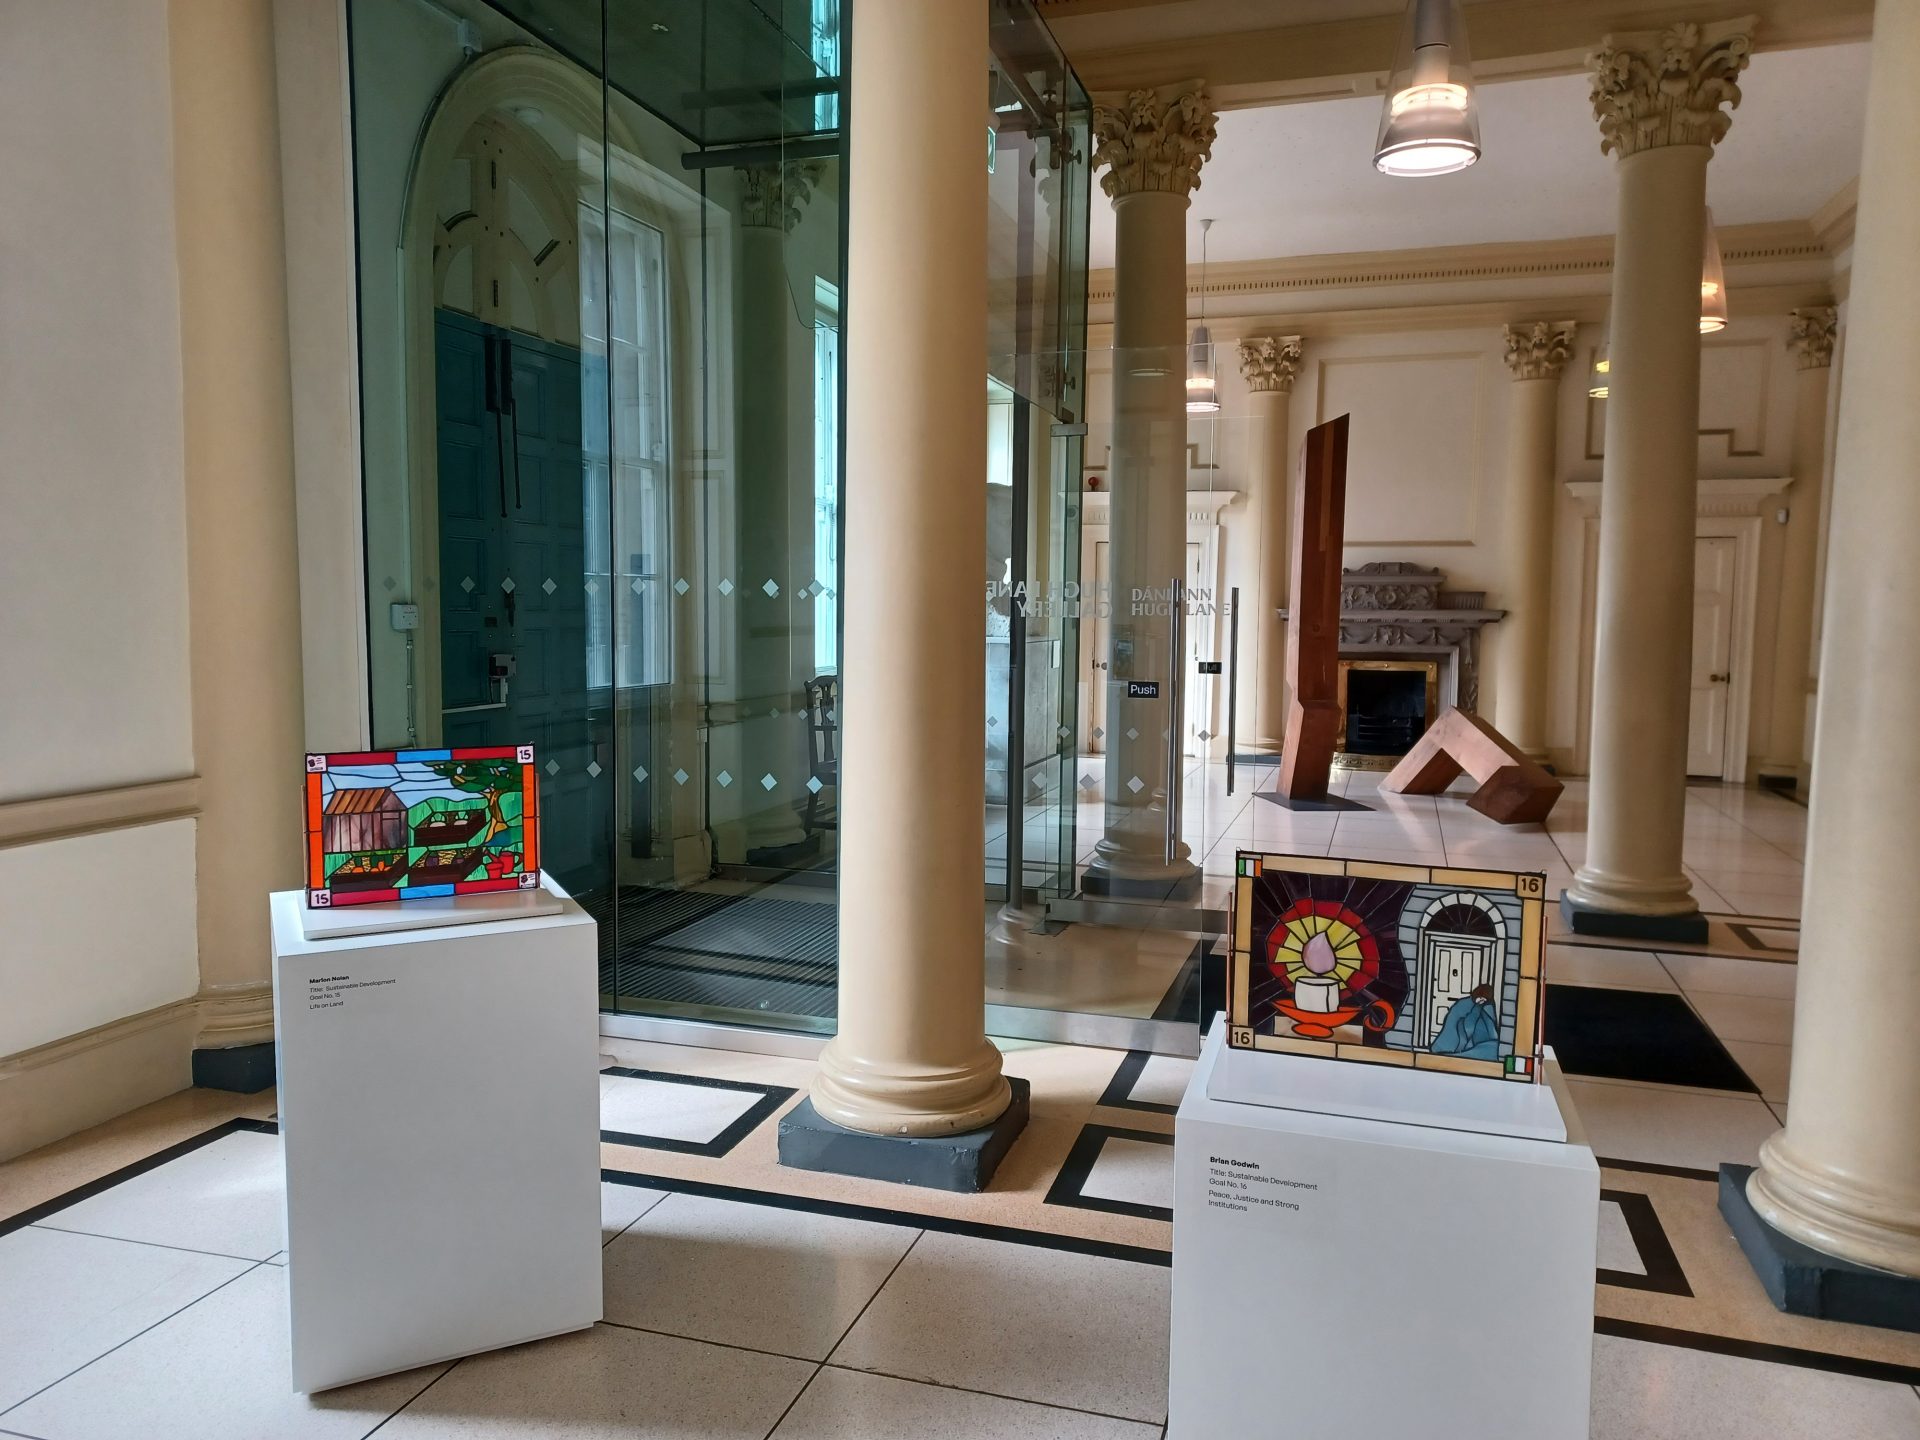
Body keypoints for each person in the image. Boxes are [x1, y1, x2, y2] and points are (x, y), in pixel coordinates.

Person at [1431, 983, 1500, 1060]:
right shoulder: (1464, 1003)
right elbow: (1455, 1018)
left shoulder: (1484, 1007)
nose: (1481, 1001)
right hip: (1457, 1030)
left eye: (1484, 1000)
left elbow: (1489, 1024)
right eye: (1480, 998)